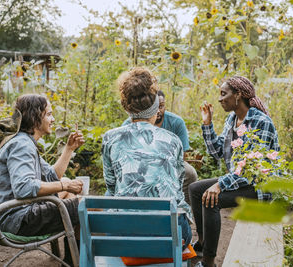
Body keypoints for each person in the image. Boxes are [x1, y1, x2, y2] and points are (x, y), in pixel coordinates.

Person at [189, 76, 280, 267]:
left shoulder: (261, 122)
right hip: (240, 180)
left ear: (238, 95)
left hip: (258, 186)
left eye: (224, 94)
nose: (220, 99)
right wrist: (207, 124)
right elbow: (217, 152)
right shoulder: (232, 119)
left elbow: (250, 169)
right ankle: (203, 244)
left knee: (211, 199)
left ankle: (208, 261)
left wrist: (220, 185)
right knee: (196, 190)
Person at [0, 94, 84, 263]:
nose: (53, 119)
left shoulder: (24, 141)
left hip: (11, 213)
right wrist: (64, 185)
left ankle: (71, 262)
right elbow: (24, 188)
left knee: (70, 196)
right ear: (34, 117)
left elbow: (53, 175)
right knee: (84, 207)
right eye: (48, 114)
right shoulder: (22, 145)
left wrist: (69, 149)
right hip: (16, 219)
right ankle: (73, 261)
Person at [102, 67, 192, 249]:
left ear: (126, 107)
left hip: (122, 232)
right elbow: (178, 188)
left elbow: (111, 186)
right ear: (156, 107)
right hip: (169, 231)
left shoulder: (110, 138)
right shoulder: (173, 140)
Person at [122, 90, 198, 205]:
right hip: (138, 163)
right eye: (155, 107)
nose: (158, 111)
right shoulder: (130, 123)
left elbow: (181, 159)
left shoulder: (176, 122)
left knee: (190, 172)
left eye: (161, 106)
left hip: (169, 163)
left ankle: (182, 211)